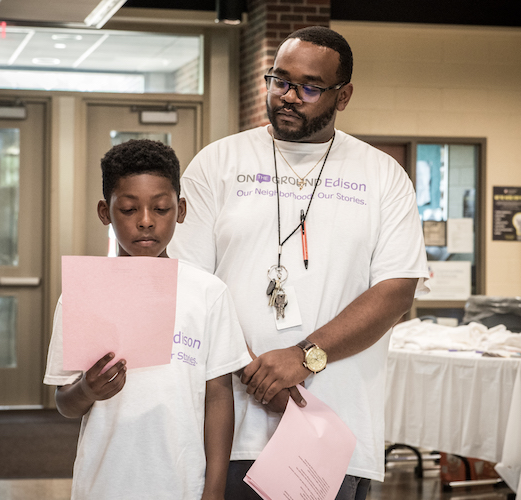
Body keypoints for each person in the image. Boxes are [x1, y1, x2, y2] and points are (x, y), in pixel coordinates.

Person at [169, 26, 429, 500]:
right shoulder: (216, 164)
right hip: (223, 427)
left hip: (329, 434)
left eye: (309, 87)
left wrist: (305, 357)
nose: (289, 96)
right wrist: (256, 372)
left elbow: (396, 292)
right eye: (279, 81)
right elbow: (187, 285)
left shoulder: (382, 176)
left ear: (343, 95)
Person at [44, 139, 252, 500]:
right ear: (105, 212)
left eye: (161, 209)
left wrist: (215, 488)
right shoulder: (85, 293)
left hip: (182, 482)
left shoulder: (208, 293)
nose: (145, 222)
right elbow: (65, 402)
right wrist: (88, 390)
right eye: (128, 209)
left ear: (181, 210)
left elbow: (218, 396)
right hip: (104, 482)